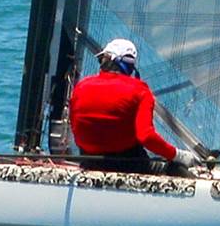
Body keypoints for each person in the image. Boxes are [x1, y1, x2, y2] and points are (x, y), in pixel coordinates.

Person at [68, 39, 192, 173]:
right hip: (128, 165)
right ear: (130, 66)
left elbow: (75, 127)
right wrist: (177, 155)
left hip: (89, 163)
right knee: (174, 170)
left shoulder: (80, 87)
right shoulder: (140, 90)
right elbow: (146, 136)